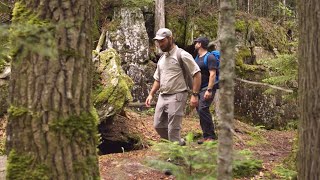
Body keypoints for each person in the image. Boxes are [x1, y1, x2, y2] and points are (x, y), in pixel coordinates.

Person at [145, 28, 201, 145]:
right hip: (162, 95)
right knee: (158, 125)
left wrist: (194, 95)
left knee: (173, 129)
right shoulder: (161, 59)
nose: (160, 44)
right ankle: (178, 143)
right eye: (158, 41)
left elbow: (196, 73)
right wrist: (151, 94)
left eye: (162, 41)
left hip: (177, 95)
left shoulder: (182, 55)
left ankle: (176, 158)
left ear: (170, 38)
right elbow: (157, 79)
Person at [194, 37, 219, 144]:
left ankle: (211, 137)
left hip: (207, 88)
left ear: (200, 44)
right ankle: (206, 136)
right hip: (198, 89)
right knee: (200, 110)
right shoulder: (197, 57)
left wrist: (209, 90)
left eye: (196, 42)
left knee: (203, 108)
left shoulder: (210, 57)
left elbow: (212, 74)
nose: (195, 44)